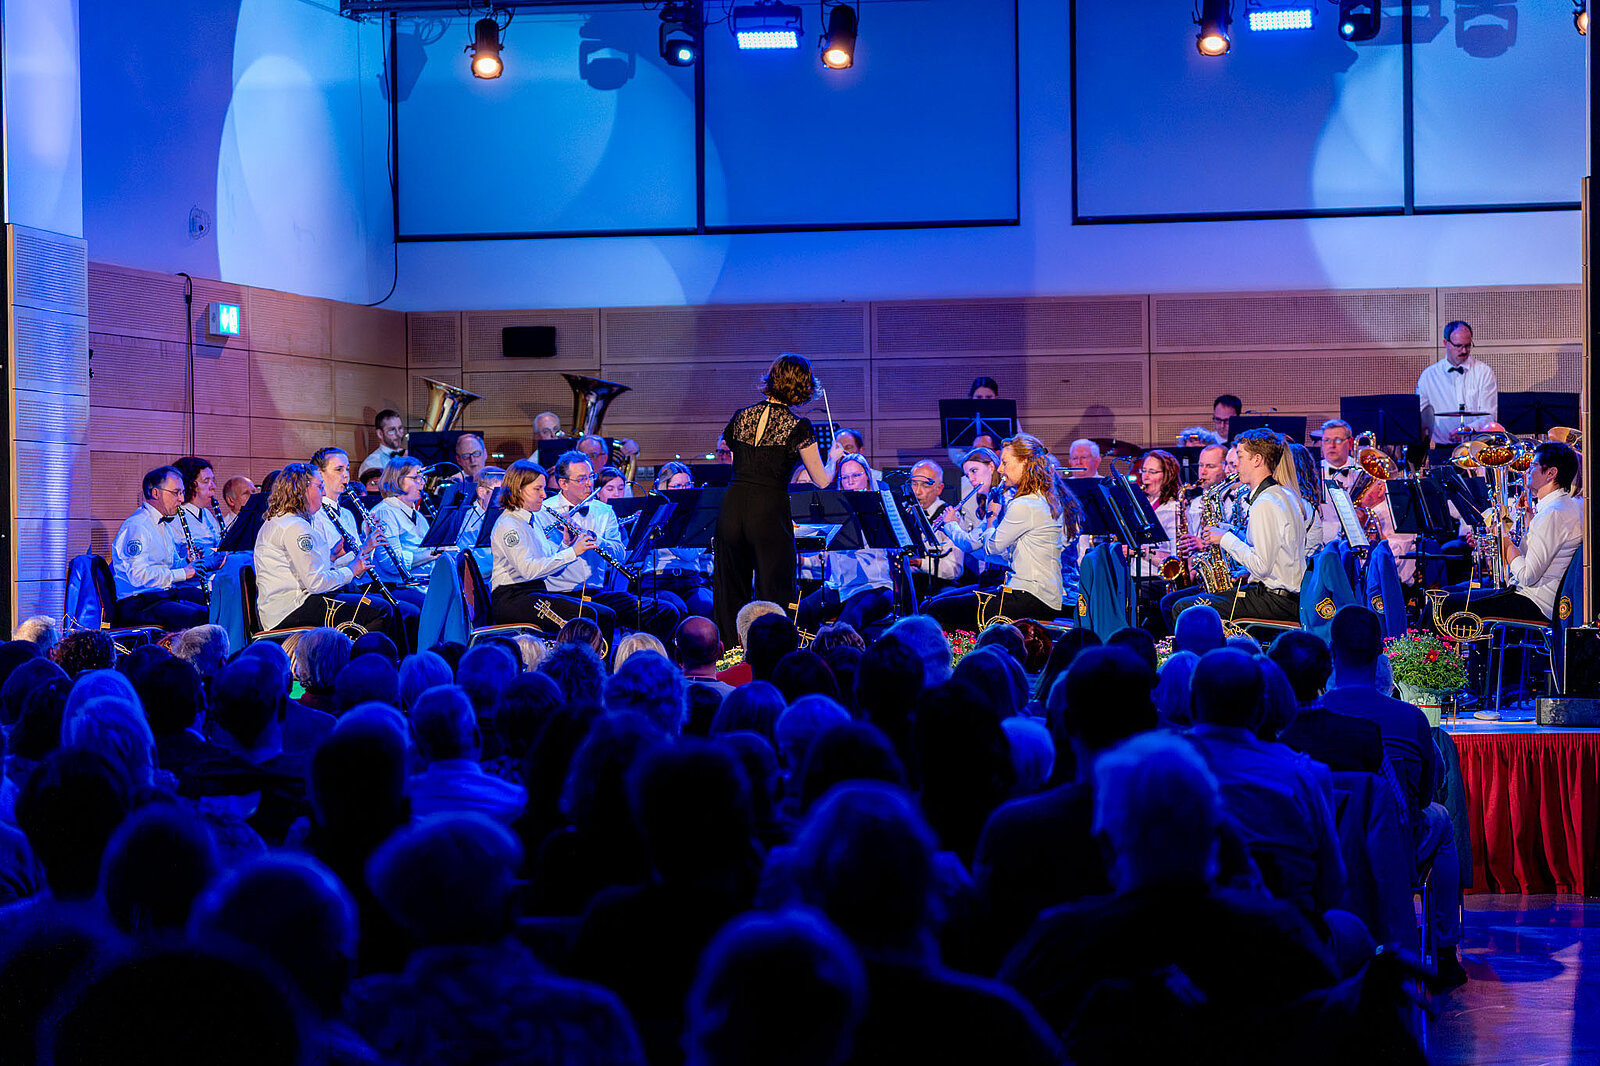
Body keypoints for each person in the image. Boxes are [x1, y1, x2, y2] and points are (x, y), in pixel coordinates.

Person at [1320, 606, 1465, 988]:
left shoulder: (1313, 717)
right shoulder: (1410, 718)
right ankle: (1445, 951)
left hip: (1325, 852)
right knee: (1442, 819)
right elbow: (1424, 795)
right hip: (1397, 851)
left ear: (1332, 652)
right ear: (1380, 654)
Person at [712, 354, 842, 646]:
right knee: (774, 590)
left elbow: (727, 445)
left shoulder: (741, 416)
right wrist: (833, 459)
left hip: (732, 505)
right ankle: (771, 656)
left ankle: (730, 655)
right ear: (802, 386)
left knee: (729, 589)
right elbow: (822, 480)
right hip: (768, 509)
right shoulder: (799, 426)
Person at [1434, 440, 1582, 626]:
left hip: (1534, 602)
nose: (1527, 471)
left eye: (1533, 466)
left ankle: (1419, 645)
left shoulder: (1553, 513)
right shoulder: (1563, 507)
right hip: (1532, 597)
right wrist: (1528, 520)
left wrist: (1504, 539)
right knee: (1447, 593)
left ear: (1551, 473)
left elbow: (1527, 575)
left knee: (1441, 604)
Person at [1166, 428, 1305, 626]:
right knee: (1180, 602)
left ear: (1257, 460)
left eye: (1240, 457)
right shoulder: (1282, 494)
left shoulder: (1265, 503)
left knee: (1183, 608)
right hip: (1280, 597)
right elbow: (1276, 557)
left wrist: (1225, 538)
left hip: (1275, 601)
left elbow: (1261, 566)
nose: (1235, 465)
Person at [539, 452, 681, 644]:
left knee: (665, 611)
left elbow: (620, 554)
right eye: (581, 479)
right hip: (559, 593)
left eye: (591, 476)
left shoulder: (604, 511)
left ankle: (640, 658)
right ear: (563, 483)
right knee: (604, 615)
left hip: (595, 592)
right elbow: (543, 563)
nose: (589, 484)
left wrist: (597, 539)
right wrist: (567, 544)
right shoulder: (543, 512)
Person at [929, 434, 1066, 629]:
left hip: (1029, 596)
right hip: (1040, 594)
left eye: (1005, 463)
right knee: (940, 606)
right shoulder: (1042, 498)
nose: (1001, 469)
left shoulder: (1022, 504)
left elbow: (991, 548)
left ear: (1024, 462)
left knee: (938, 610)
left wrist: (991, 516)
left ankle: (963, 649)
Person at [252, 462, 397, 640]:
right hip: (290, 609)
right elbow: (316, 583)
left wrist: (332, 557)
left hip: (291, 605)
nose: (323, 493)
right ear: (302, 489)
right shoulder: (295, 527)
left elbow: (306, 570)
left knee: (373, 604)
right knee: (380, 610)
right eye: (319, 486)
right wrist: (351, 570)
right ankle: (360, 658)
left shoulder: (288, 521)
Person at [488, 459, 613, 641]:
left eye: (543, 488)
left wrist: (566, 545)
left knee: (606, 614)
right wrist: (573, 552)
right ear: (518, 490)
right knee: (587, 617)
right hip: (512, 598)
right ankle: (576, 659)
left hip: (534, 592)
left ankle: (598, 660)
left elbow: (550, 568)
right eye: (537, 489)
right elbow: (529, 570)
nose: (544, 495)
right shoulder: (509, 525)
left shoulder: (531, 520)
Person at [797, 456, 896, 635]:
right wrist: (799, 535)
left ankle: (850, 653)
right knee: (798, 614)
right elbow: (815, 552)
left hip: (874, 586)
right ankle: (815, 650)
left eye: (856, 475)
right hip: (838, 587)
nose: (850, 482)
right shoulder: (833, 510)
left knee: (844, 627)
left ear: (867, 476)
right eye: (845, 477)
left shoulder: (878, 508)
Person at [111, 465, 207, 629]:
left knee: (216, 603)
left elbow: (168, 567)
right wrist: (183, 573)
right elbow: (138, 576)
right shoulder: (138, 526)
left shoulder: (164, 525)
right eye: (176, 492)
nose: (181, 499)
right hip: (138, 603)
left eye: (182, 492)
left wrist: (187, 563)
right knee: (200, 617)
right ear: (156, 493)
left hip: (161, 595)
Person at [648, 463, 715, 618]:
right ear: (664, 487)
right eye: (677, 486)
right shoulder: (655, 513)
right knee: (676, 609)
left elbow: (690, 555)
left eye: (688, 485)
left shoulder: (699, 515)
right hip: (659, 580)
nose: (684, 490)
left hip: (691, 580)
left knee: (708, 606)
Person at [1418, 320, 1497, 445]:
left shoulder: (1484, 372)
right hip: (1443, 447)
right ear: (1446, 343)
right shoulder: (1429, 376)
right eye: (1458, 346)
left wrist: (1470, 429)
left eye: (1467, 346)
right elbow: (1419, 417)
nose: (1464, 351)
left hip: (1476, 447)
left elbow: (1490, 416)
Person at [371, 456, 443, 590]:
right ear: (397, 480)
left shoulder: (419, 516)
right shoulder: (385, 512)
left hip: (422, 585)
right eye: (416, 478)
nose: (422, 483)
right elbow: (391, 563)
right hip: (399, 587)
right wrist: (433, 553)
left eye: (422, 478)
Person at [907, 460, 965, 595]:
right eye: (914, 484)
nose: (917, 492)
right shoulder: (905, 513)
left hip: (940, 584)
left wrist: (920, 563)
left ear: (939, 488)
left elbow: (954, 569)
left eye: (925, 485)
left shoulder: (950, 517)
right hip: (910, 583)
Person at [172, 455, 224, 567]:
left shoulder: (207, 514)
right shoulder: (174, 518)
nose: (213, 486)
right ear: (190, 485)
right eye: (206, 481)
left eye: (212, 480)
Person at [361, 408, 406, 477]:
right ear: (380, 434)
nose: (398, 434)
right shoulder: (371, 463)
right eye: (392, 430)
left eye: (400, 428)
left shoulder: (408, 455)